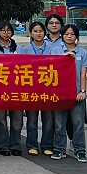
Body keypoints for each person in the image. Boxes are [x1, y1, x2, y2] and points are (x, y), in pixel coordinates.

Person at [18, 21, 61, 156]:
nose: (38, 34)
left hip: (48, 89)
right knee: (32, 119)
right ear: (31, 33)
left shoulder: (53, 49)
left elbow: (58, 66)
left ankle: (47, 145)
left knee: (48, 119)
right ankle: (32, 145)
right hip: (31, 90)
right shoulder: (25, 50)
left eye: (40, 31)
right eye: (35, 31)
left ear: (45, 33)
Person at [52, 24, 87, 163]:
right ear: (62, 36)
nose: (69, 36)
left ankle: (80, 150)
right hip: (60, 94)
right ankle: (59, 149)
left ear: (76, 36)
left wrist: (82, 91)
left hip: (77, 95)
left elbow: (83, 74)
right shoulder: (55, 51)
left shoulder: (83, 53)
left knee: (78, 124)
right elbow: (53, 68)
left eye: (72, 34)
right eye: (66, 34)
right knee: (59, 124)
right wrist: (64, 57)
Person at [0, 20, 23, 157]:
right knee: (0, 118)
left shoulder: (19, 49)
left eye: (8, 30)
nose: (6, 33)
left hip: (16, 88)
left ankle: (16, 145)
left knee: (17, 119)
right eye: (3, 30)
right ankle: (2, 145)